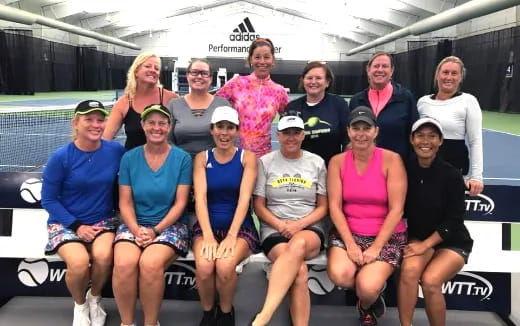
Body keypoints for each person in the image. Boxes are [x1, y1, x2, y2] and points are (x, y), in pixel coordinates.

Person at [42, 100, 125, 326]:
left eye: (100, 120)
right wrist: (77, 225)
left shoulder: (116, 150)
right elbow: (48, 199)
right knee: (78, 264)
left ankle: (94, 299)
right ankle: (80, 305)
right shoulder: (60, 158)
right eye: (89, 119)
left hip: (104, 221)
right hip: (66, 223)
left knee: (104, 256)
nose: (96, 124)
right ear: (76, 123)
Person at [326, 106, 407, 326]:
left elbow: (397, 209)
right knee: (340, 275)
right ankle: (366, 289)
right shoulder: (337, 162)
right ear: (349, 131)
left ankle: (367, 299)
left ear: (376, 131)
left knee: (367, 287)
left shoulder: (392, 160)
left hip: (386, 236)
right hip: (348, 233)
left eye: (366, 128)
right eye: (356, 128)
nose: (361, 133)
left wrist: (375, 248)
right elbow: (334, 207)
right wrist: (351, 244)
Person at [112, 104, 192, 326]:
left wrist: (156, 230)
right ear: (143, 125)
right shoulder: (129, 158)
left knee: (150, 264)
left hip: (170, 227)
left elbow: (180, 203)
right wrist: (137, 229)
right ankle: (126, 323)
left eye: (162, 123)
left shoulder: (182, 159)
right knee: (124, 264)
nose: (156, 128)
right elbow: (125, 202)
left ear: (169, 126)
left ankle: (150, 323)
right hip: (134, 225)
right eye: (151, 123)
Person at [251, 115, 328, 326]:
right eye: (286, 133)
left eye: (296, 132)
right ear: (278, 135)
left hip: (309, 228)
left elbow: (323, 207)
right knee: (300, 271)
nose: (291, 137)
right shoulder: (265, 162)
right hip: (274, 229)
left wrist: (299, 225)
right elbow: (259, 205)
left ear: (303, 135)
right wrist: (280, 225)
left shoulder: (317, 162)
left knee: (299, 243)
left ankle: (263, 316)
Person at [398, 117, 473, 326]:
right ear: (412, 140)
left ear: (440, 141)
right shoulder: (404, 169)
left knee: (431, 282)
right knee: (410, 271)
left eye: (432, 136)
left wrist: (426, 245)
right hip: (418, 238)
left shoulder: (451, 174)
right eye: (420, 135)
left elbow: (455, 220)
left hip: (452, 242)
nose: (426, 141)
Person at [192, 106, 259, 326]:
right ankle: (208, 313)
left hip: (240, 229)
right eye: (220, 127)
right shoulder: (202, 158)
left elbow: (244, 199)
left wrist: (231, 236)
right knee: (204, 267)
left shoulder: (247, 158)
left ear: (237, 131)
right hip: (207, 227)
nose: (224, 132)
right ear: (212, 130)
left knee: (224, 265)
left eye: (230, 128)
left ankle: (226, 313)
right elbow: (200, 198)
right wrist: (209, 236)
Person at [417, 55, 484, 196]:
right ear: (437, 75)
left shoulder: (468, 101)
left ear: (460, 78)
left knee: (451, 214)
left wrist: (477, 176)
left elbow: (475, 141)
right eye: (445, 72)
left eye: (454, 73)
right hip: (424, 167)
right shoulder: (422, 102)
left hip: (454, 169)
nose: (449, 77)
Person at [216, 38, 289, 158]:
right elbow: (213, 104)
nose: (262, 61)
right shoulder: (236, 83)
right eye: (257, 57)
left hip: (264, 158)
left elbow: (288, 121)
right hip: (234, 155)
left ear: (273, 60)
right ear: (250, 59)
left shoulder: (279, 91)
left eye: (266, 57)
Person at [349, 51, 419, 160]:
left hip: (397, 167)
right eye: (376, 66)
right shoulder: (356, 101)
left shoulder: (406, 98)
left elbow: (414, 134)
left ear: (391, 71)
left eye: (385, 66)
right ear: (368, 70)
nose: (380, 70)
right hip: (363, 165)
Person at [103, 52, 178, 150]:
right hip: (133, 162)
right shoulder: (124, 103)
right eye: (147, 66)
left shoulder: (171, 98)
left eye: (156, 68)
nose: (152, 70)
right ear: (136, 71)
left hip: (165, 161)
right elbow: (105, 137)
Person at [285, 61, 349, 165]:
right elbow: (286, 140)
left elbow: (347, 140)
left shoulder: (339, 104)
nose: (313, 82)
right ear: (303, 81)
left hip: (331, 170)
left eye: (318, 78)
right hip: (300, 171)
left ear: (327, 82)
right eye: (309, 78)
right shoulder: (292, 107)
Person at [167, 59, 232, 158]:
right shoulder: (174, 105)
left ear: (210, 78)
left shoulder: (222, 104)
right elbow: (167, 140)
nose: (199, 76)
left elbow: (233, 138)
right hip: (181, 164)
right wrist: (183, 160)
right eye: (194, 72)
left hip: (215, 165)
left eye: (204, 73)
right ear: (187, 76)